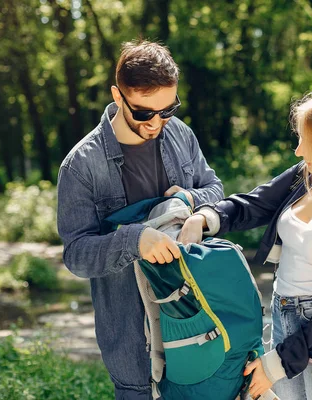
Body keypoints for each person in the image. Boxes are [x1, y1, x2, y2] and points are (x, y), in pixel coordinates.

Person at [179, 88, 312, 400]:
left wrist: (279, 362)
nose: (298, 150)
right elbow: (254, 204)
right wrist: (205, 217)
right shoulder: (306, 176)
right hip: (283, 315)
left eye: (306, 139)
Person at [56, 40, 223, 399]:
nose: (157, 122)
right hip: (133, 342)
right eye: (145, 113)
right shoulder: (80, 165)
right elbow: (76, 255)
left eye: (168, 109)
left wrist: (189, 199)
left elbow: (214, 187)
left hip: (197, 319)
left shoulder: (180, 133)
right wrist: (133, 241)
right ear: (118, 97)